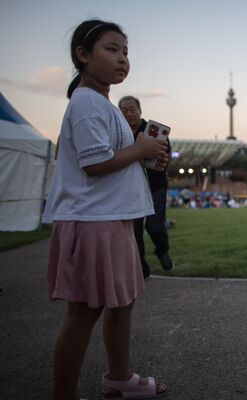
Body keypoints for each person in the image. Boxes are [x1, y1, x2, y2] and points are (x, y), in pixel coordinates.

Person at [41, 19, 168, 399]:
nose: (122, 59)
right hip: (90, 220)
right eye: (112, 49)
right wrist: (140, 149)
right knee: (84, 313)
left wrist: (145, 157)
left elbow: (115, 157)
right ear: (83, 55)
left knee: (122, 302)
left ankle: (119, 377)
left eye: (125, 52)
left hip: (112, 218)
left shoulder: (103, 104)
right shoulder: (84, 103)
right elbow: (94, 163)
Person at [119, 95, 174, 278]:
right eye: (124, 111)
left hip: (155, 185)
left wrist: (143, 157)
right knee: (134, 231)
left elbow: (162, 156)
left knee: (155, 227)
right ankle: (141, 268)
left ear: (140, 111)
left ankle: (162, 250)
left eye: (132, 110)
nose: (128, 114)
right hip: (131, 188)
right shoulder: (120, 133)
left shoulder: (153, 130)